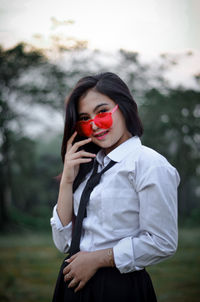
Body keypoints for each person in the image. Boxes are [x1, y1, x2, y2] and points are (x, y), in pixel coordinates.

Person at [50, 72, 180, 302]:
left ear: (124, 107)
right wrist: (67, 181)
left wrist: (98, 259)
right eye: (84, 118)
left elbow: (163, 242)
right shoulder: (89, 166)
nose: (95, 125)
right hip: (72, 285)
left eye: (102, 112)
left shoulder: (149, 164)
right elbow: (64, 243)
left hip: (119, 287)